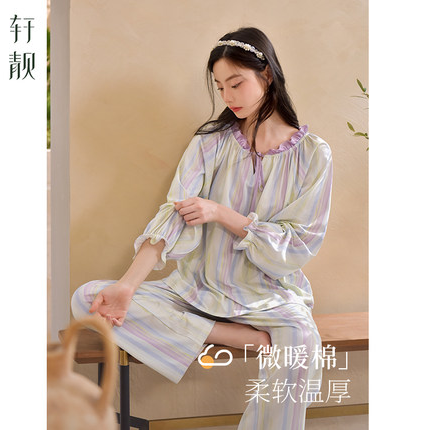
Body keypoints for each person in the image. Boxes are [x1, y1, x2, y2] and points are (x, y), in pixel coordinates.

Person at [72, 27, 333, 429]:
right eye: (219, 86)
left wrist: (221, 213)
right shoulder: (210, 143)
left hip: (268, 297)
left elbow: (299, 243)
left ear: (266, 75)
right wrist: (126, 286)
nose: (227, 96)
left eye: (236, 83)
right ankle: (234, 335)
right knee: (89, 299)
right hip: (198, 289)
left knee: (301, 341)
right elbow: (173, 215)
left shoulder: (313, 155)